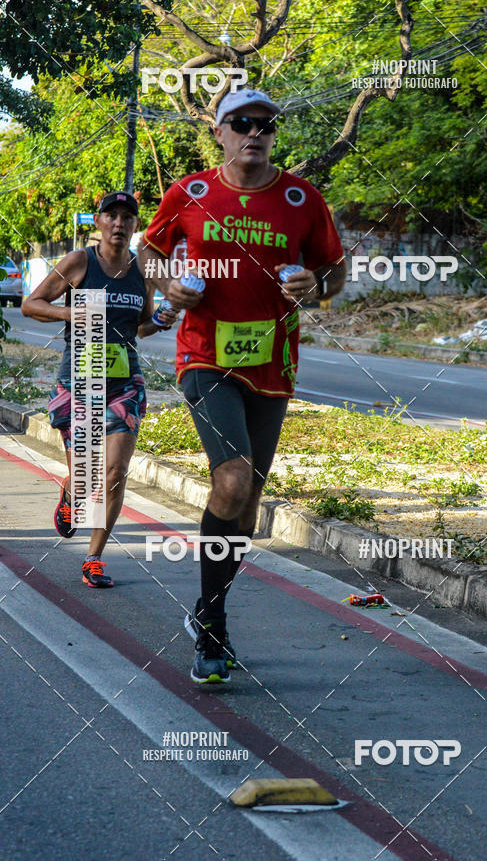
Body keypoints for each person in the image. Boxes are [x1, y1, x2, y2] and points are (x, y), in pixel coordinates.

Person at [139, 87, 346, 685]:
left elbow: (334, 272)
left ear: (273, 134)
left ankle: (209, 612)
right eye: (241, 123)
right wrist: (170, 285)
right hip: (204, 355)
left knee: (247, 504)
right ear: (221, 132)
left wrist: (316, 285)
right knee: (229, 480)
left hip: (273, 366)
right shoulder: (191, 192)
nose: (254, 133)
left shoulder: (302, 198)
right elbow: (150, 253)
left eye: (264, 125)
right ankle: (209, 631)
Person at [22, 191, 177, 587]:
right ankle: (72, 495)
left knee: (115, 472)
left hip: (125, 382)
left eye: (128, 217)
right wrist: (67, 311)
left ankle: (93, 557)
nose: (120, 224)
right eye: (112, 216)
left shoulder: (142, 269)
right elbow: (30, 304)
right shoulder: (79, 262)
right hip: (80, 379)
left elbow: (139, 326)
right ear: (98, 221)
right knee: (88, 476)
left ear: (136, 225)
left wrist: (159, 320)